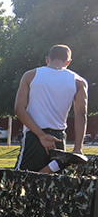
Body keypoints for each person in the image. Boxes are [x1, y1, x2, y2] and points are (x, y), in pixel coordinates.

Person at [15, 44, 88, 173]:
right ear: (68, 62)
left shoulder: (30, 75)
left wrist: (41, 135)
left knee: (23, 181)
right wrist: (78, 149)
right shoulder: (78, 81)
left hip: (35, 135)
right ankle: (54, 166)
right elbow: (81, 115)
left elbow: (19, 110)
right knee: (54, 186)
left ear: (47, 59)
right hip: (59, 138)